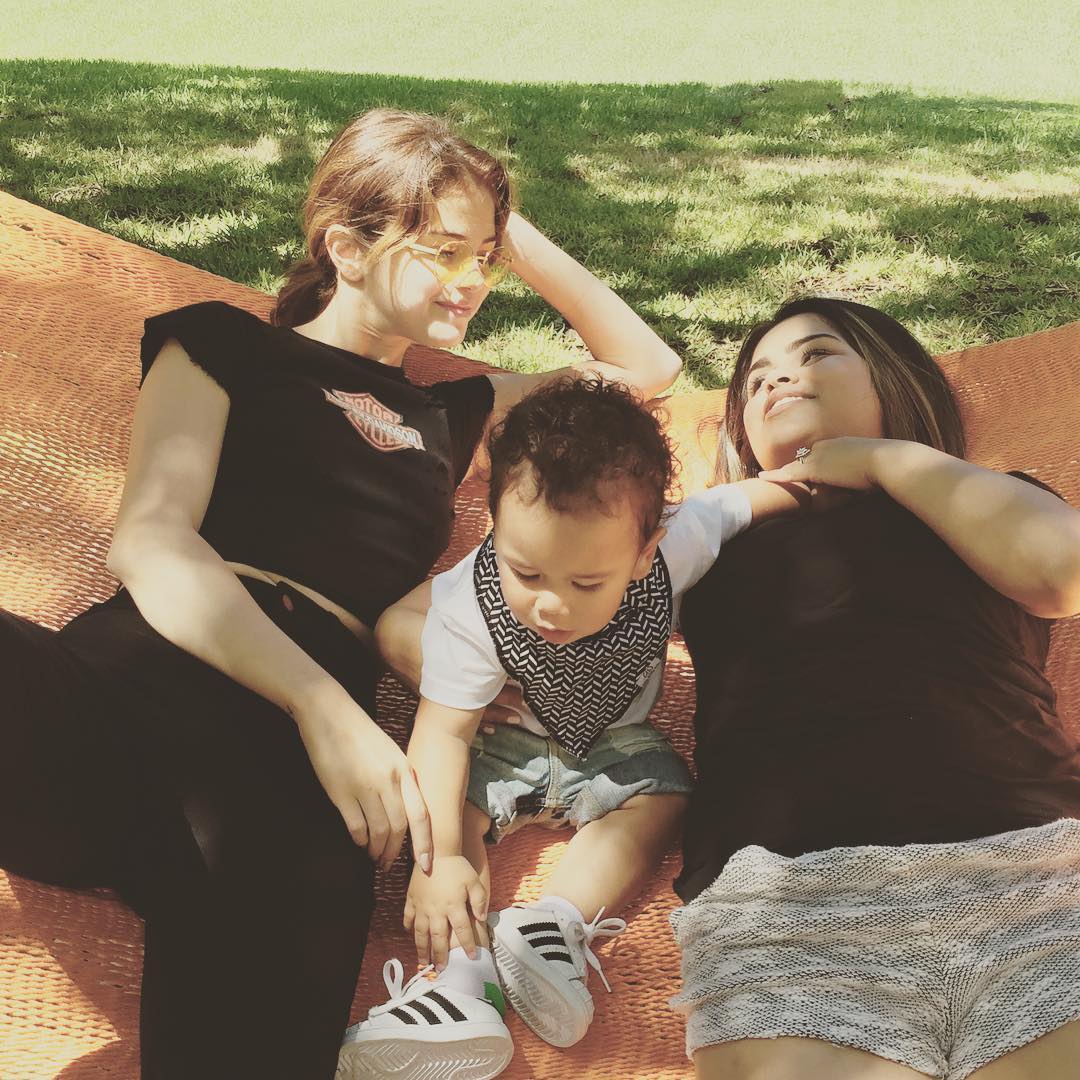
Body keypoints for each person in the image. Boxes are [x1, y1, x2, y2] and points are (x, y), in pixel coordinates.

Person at [0, 108, 681, 1080]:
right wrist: (320, 707)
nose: (472, 280)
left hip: (293, 789)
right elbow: (151, 541)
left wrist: (500, 220)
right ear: (346, 246)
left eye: (483, 259)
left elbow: (649, 370)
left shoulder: (453, 408)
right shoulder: (226, 346)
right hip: (141, 682)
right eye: (444, 250)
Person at [339, 377, 801, 1079]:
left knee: (668, 792)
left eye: (587, 583)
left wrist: (825, 480)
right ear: (493, 528)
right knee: (441, 810)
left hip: (612, 744)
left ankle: (550, 923)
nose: (551, 605)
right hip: (500, 741)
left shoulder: (679, 544)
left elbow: (745, 500)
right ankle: (462, 981)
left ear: (646, 551)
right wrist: (442, 865)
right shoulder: (469, 605)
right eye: (526, 572)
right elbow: (442, 736)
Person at [671, 297, 1080, 1080]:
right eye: (756, 379)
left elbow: (1062, 571)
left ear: (896, 379)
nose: (777, 379)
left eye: (817, 354)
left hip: (1033, 876)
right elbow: (562, 599)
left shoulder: (979, 499)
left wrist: (879, 461)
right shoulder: (706, 540)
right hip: (790, 905)